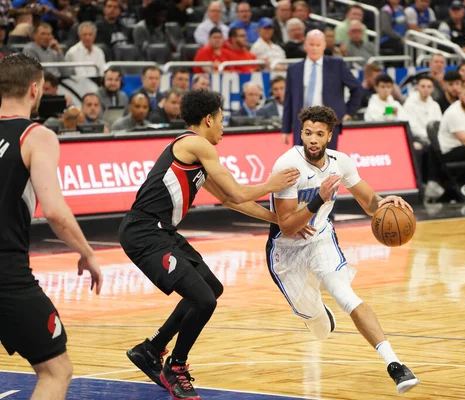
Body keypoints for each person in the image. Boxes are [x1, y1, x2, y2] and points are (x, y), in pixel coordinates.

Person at [120, 90, 299, 400]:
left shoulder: (196, 151)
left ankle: (149, 350)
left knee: (210, 289)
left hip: (162, 232)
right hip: (144, 231)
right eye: (221, 120)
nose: (222, 127)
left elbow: (230, 200)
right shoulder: (196, 143)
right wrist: (273, 184)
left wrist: (278, 220)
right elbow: (240, 192)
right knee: (203, 299)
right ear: (208, 119)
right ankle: (175, 367)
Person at [267, 105, 420, 396]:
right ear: (301, 133)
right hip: (286, 250)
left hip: (322, 239)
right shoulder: (287, 166)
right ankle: (317, 312)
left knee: (347, 296)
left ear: (329, 137)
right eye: (308, 133)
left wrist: (387, 203)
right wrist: (317, 200)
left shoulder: (341, 163)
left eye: (319, 134)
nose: (313, 139)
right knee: (318, 324)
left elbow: (371, 202)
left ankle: (395, 365)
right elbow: (286, 226)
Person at [0, 53, 102, 399]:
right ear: (34, 89)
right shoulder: (35, 136)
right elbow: (56, 212)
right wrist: (87, 252)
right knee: (55, 370)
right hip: (6, 274)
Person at [282, 30, 362, 147]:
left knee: (327, 162)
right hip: (302, 123)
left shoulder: (336, 65)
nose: (314, 48)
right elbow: (288, 100)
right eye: (311, 44)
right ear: (305, 45)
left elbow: (357, 89)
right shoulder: (294, 69)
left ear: (324, 45)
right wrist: (285, 129)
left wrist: (347, 112)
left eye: (318, 45)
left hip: (328, 123)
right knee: (301, 162)